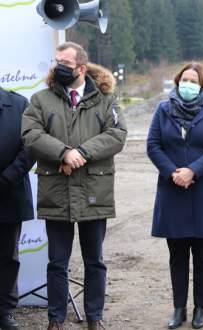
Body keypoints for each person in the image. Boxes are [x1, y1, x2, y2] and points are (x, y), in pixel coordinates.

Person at [21, 42, 127, 330]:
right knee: (57, 262)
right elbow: (30, 134)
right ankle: (56, 319)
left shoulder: (105, 100)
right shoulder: (41, 100)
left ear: (81, 68)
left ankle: (95, 317)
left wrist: (80, 152)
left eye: (64, 63)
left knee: (95, 261)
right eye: (55, 62)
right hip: (56, 191)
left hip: (95, 191)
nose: (58, 68)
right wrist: (63, 153)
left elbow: (117, 134)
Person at [147, 62, 203, 330]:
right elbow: (153, 145)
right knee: (177, 254)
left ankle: (200, 307)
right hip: (173, 190)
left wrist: (192, 171)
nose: (188, 84)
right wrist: (173, 172)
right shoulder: (163, 109)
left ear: (202, 84)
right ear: (178, 81)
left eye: (194, 80)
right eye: (184, 79)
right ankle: (178, 308)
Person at [0, 88, 35, 330]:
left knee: (7, 257)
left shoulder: (19, 104)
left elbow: (30, 146)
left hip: (8, 193)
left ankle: (4, 311)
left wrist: (6, 179)